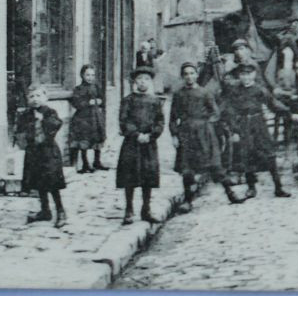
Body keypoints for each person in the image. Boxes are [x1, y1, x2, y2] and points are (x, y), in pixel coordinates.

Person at [168, 62, 241, 210]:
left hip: (205, 134)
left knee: (215, 165)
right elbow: (172, 118)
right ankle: (188, 201)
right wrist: (175, 135)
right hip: (186, 134)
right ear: (182, 76)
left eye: (192, 73)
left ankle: (230, 193)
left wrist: (206, 124)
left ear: (196, 75)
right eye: (186, 74)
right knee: (187, 169)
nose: (189, 76)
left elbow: (215, 112)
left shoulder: (205, 92)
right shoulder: (178, 94)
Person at [221, 63, 292, 199]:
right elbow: (229, 110)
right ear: (239, 76)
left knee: (269, 153)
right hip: (243, 124)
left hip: (259, 123)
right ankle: (251, 187)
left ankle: (278, 187)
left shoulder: (260, 90)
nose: (245, 78)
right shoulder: (234, 91)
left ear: (253, 75)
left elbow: (273, 103)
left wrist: (288, 112)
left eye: (248, 74)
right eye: (242, 75)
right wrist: (234, 129)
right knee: (246, 155)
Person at [12, 83, 67, 228]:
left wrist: (42, 120)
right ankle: (45, 210)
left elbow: (56, 125)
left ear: (45, 97)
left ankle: (61, 211)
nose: (35, 99)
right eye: (31, 96)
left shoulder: (50, 112)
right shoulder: (26, 114)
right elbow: (20, 131)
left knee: (53, 183)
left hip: (49, 152)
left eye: (38, 96)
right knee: (39, 182)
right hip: (34, 153)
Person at [115, 67, 165, 224]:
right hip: (132, 143)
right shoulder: (128, 100)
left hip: (149, 144)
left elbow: (160, 121)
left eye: (146, 79)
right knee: (130, 176)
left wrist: (151, 135)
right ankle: (129, 210)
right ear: (134, 82)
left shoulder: (155, 101)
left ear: (150, 82)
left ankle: (146, 209)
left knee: (148, 176)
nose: (143, 82)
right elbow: (124, 120)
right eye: (139, 79)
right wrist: (136, 135)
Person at [67, 64, 107, 174]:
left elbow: (102, 99)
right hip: (83, 118)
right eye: (87, 75)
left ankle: (97, 161)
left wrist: (100, 101)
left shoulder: (96, 87)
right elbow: (76, 102)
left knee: (97, 137)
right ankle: (85, 163)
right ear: (82, 75)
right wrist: (87, 103)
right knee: (84, 139)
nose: (90, 77)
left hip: (96, 117)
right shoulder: (78, 89)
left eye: (92, 75)